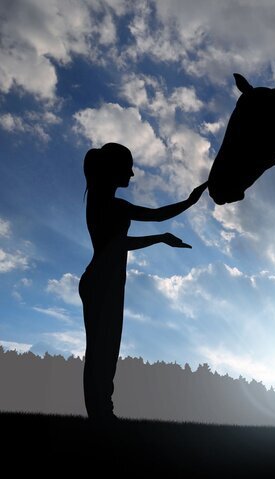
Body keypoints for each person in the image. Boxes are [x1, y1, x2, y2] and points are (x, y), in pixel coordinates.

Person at [79, 142, 207, 421]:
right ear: (113, 171)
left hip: (107, 279)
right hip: (102, 278)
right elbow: (125, 240)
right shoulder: (110, 206)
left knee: (106, 348)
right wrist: (163, 234)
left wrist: (188, 203)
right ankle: (100, 412)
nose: (132, 175)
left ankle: (102, 410)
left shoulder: (110, 205)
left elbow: (154, 217)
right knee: (103, 348)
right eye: (128, 168)